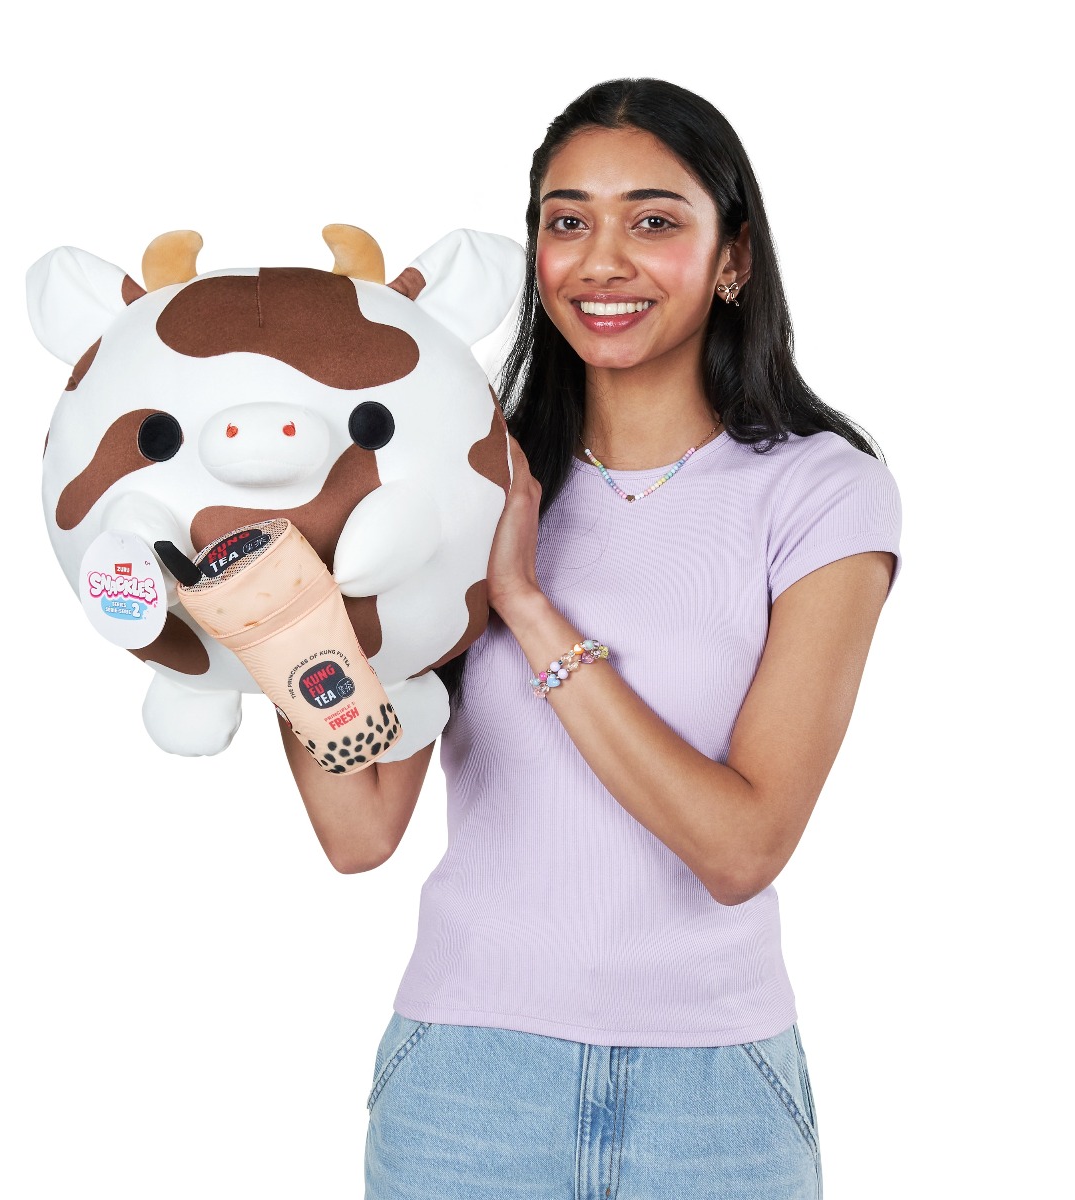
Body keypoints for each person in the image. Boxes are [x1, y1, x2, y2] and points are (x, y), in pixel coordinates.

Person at [281, 78, 900, 1200]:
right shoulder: (458, 479)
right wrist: (286, 613)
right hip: (462, 1088)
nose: (600, 262)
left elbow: (739, 850)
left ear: (732, 257)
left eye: (652, 221)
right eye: (566, 221)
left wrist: (524, 601)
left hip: (713, 1100)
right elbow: (359, 829)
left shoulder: (819, 491)